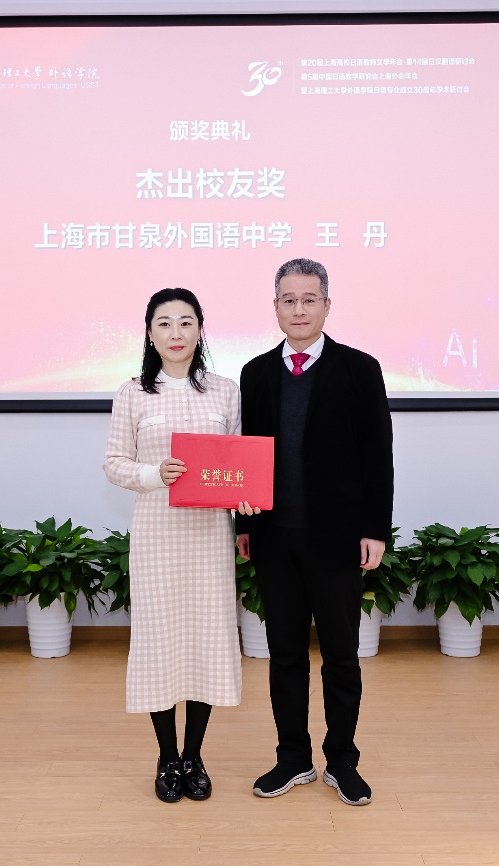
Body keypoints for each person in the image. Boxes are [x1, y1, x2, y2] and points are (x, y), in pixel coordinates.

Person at [235, 258, 394, 807]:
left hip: (338, 539)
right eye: (288, 300)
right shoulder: (255, 373)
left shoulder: (360, 369)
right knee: (284, 655)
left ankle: (342, 760)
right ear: (275, 307)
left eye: (309, 299)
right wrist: (244, 524)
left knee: (341, 656)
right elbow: (246, 456)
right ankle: (293, 758)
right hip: (274, 538)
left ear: (327, 305)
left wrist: (374, 529)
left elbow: (378, 455)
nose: (298, 309)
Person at [103, 287, 245, 803]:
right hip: (157, 533)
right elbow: (114, 462)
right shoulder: (133, 393)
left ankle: (194, 755)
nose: (176, 333)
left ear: (200, 330)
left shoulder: (225, 391)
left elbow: (240, 462)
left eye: (186, 322)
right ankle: (166, 757)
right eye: (164, 323)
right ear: (149, 333)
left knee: (207, 639)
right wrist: (152, 474)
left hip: (208, 536)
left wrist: (246, 495)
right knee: (159, 642)